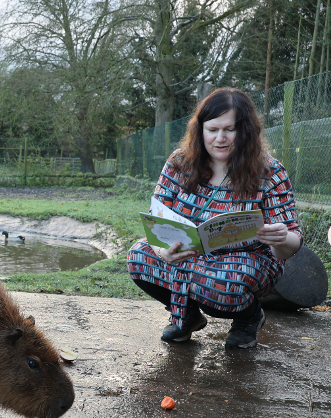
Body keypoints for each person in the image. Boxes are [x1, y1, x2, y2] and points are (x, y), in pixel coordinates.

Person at [127, 87, 302, 349]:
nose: (220, 138)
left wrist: (279, 238)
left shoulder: (270, 171)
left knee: (223, 283)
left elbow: (291, 244)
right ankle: (186, 316)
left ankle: (248, 317)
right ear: (200, 130)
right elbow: (156, 219)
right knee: (138, 256)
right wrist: (164, 252)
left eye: (229, 129)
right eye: (212, 129)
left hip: (247, 259)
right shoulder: (179, 163)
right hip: (191, 255)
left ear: (245, 130)